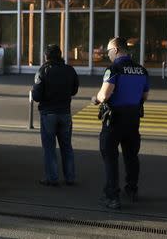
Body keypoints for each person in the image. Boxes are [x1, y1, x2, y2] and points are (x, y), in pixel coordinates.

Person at [91, 37, 149, 210]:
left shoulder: (114, 69)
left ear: (115, 50)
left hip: (114, 119)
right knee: (131, 155)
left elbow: (105, 95)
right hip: (133, 119)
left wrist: (95, 99)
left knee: (110, 157)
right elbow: (144, 97)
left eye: (108, 51)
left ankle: (112, 196)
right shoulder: (142, 70)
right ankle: (132, 189)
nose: (108, 55)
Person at [32, 44, 79, 187]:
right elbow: (74, 90)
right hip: (65, 113)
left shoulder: (43, 71)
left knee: (49, 147)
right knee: (66, 146)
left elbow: (37, 96)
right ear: (60, 55)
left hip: (48, 114)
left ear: (46, 56)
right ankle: (70, 177)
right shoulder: (70, 70)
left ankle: (52, 178)